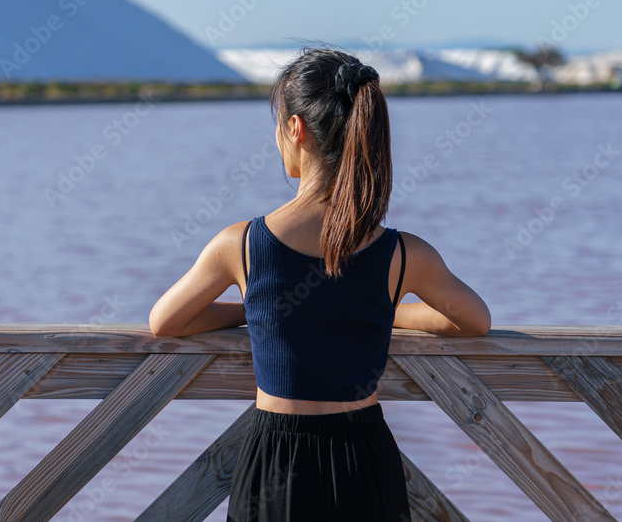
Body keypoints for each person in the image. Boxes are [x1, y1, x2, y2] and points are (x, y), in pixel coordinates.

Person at [149, 46, 492, 521]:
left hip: (276, 461)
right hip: (363, 456)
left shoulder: (241, 245)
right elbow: (475, 320)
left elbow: (166, 321)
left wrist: (256, 309)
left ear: (296, 128)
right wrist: (382, 311)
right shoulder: (404, 253)